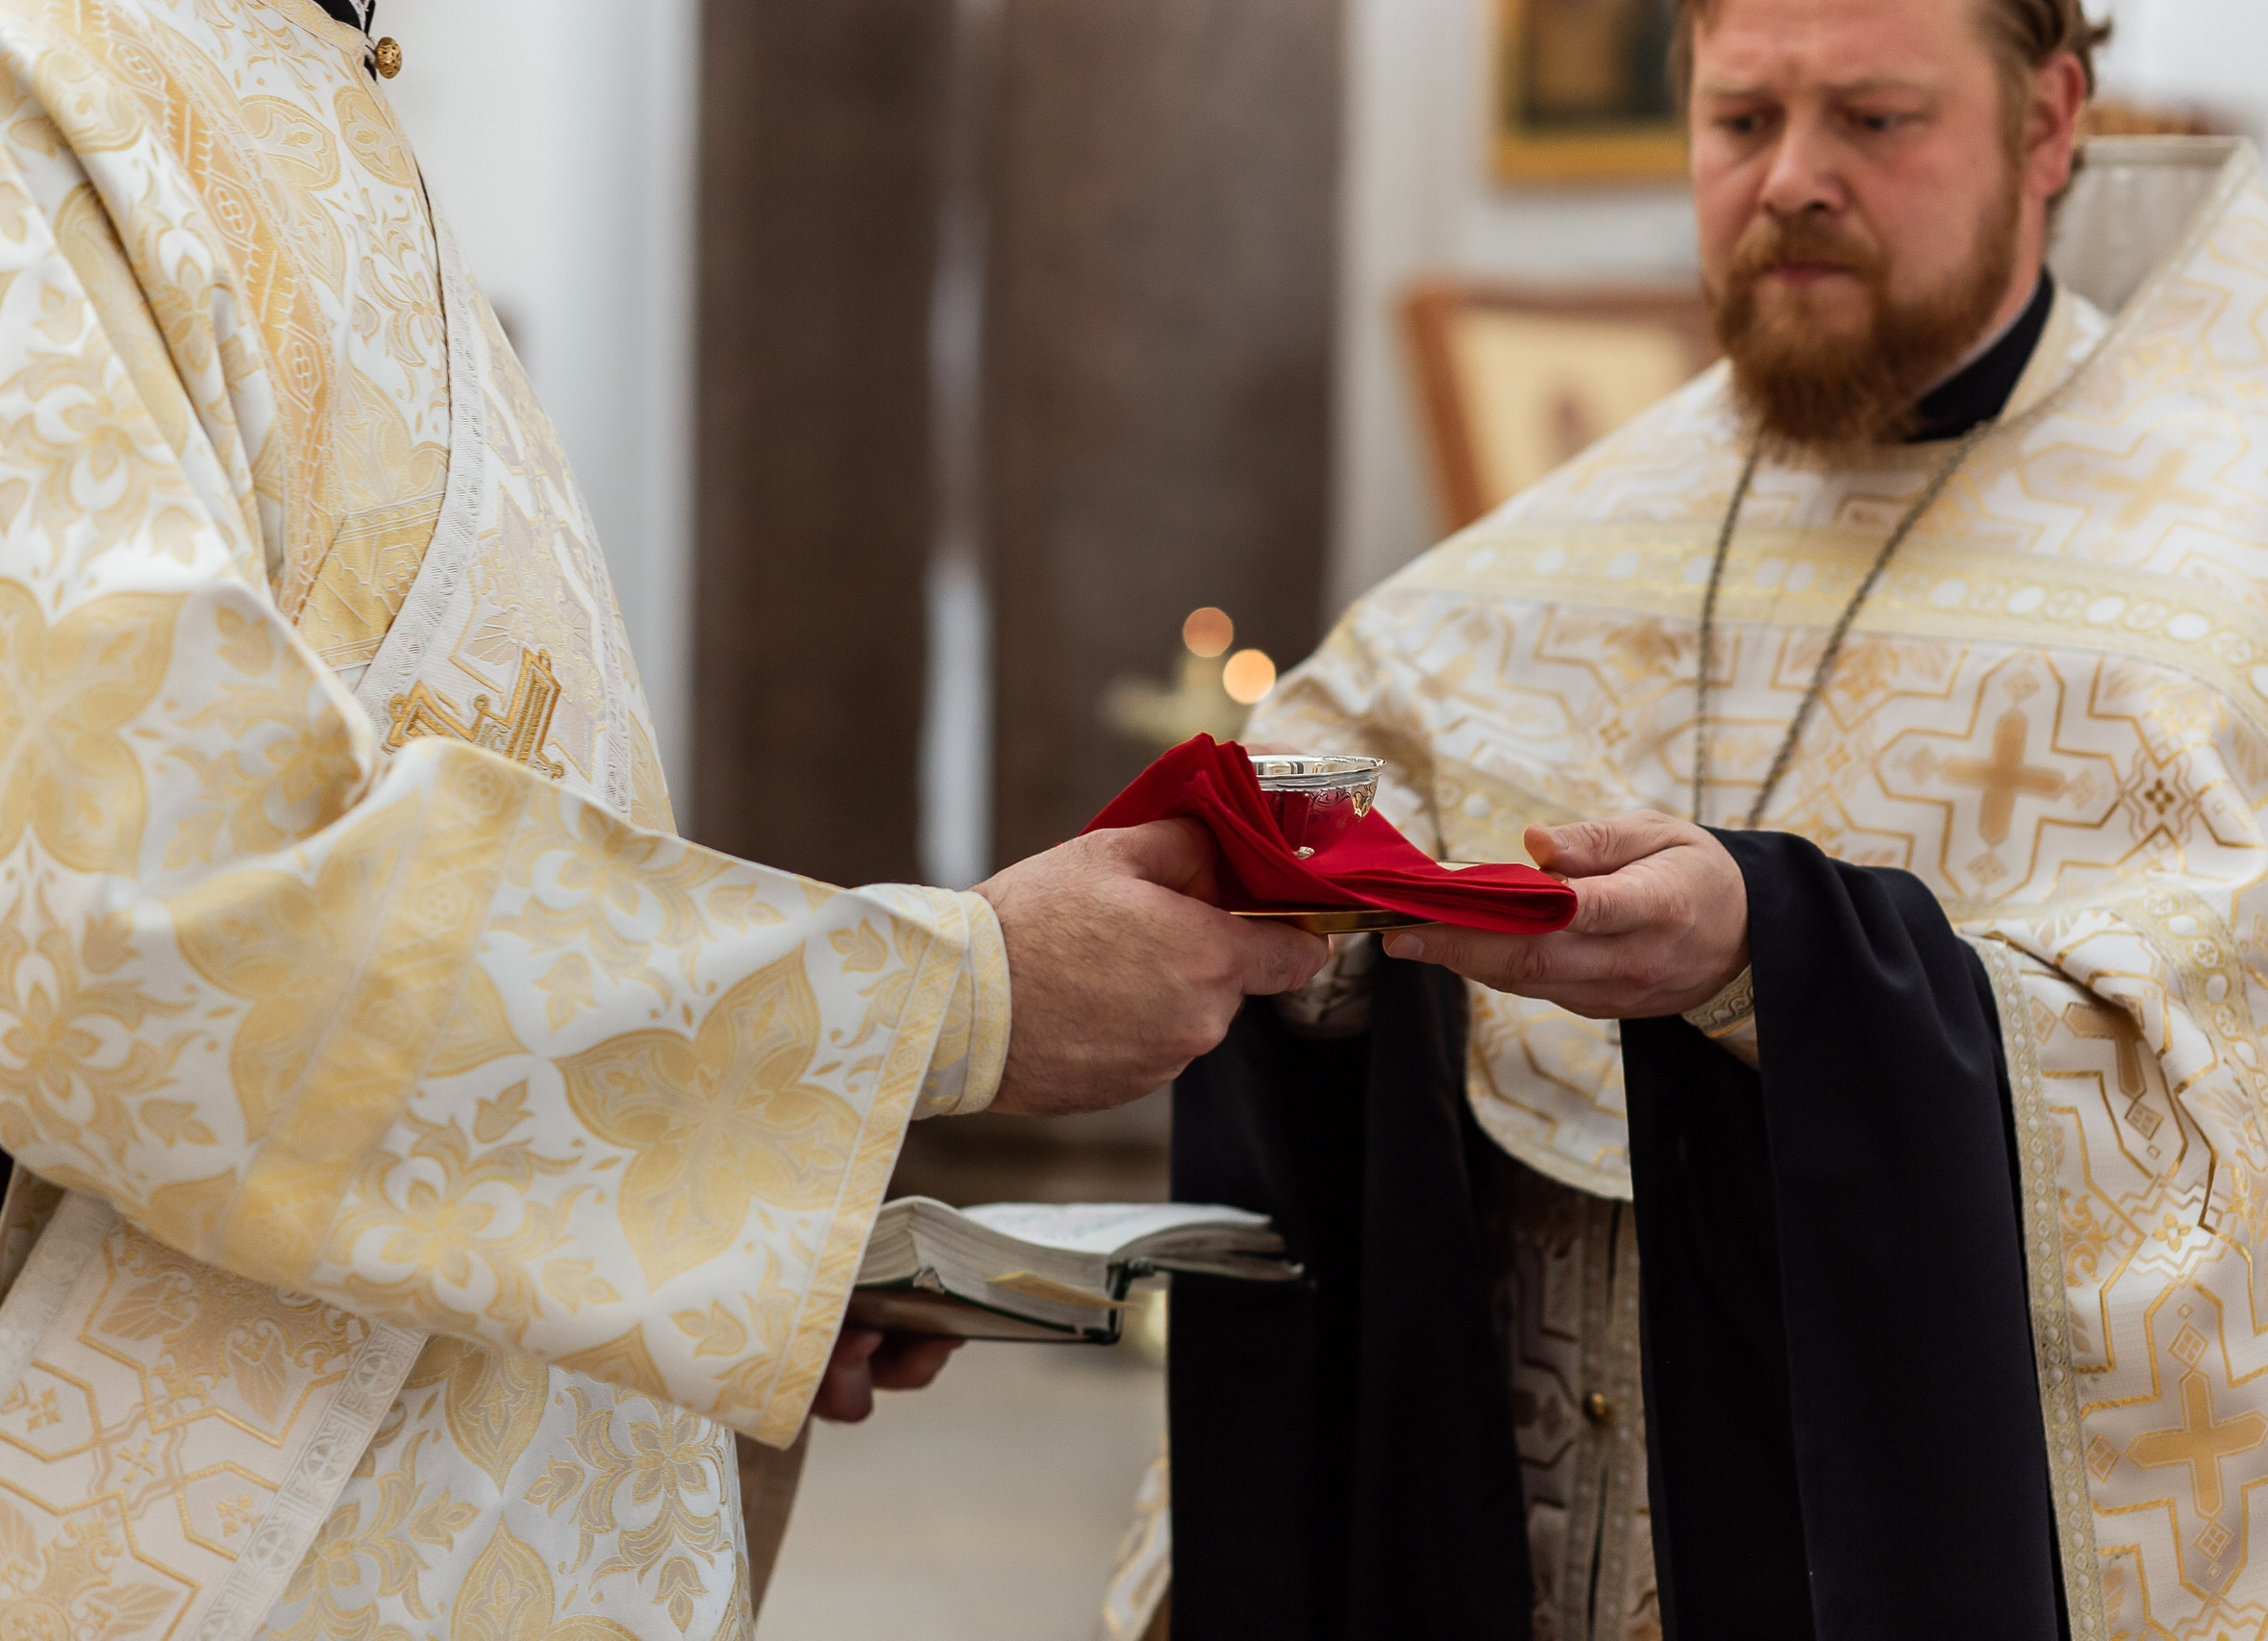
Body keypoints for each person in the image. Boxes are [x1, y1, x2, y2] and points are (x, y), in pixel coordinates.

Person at [0, 2, 1327, 1636]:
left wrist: (733, 1210)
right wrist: (949, 999)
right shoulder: (51, 85)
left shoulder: (305, 80)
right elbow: (147, 911)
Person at [1149, 0, 2268, 1636]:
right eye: (1742, 120)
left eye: (1876, 120)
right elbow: (1359, 763)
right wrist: (1310, 912)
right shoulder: (1584, 529)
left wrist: (1782, 971)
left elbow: (2255, 1138)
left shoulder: (2219, 599)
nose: (1793, 180)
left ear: (2049, 125)